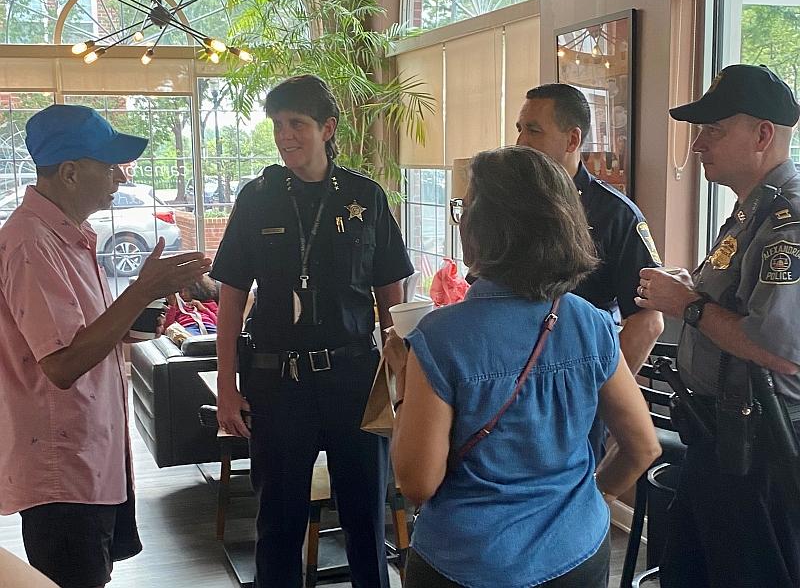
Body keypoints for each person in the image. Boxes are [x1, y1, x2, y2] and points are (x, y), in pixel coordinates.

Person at [386, 145, 661, 588]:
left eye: (464, 208)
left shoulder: (440, 337)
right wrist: (595, 498)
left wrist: (403, 379)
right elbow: (643, 447)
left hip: (467, 562)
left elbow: (418, 482)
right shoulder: (590, 322)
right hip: (577, 554)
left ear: (482, 228)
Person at [211, 74, 413, 588]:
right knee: (278, 522)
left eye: (296, 124)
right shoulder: (257, 198)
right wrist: (226, 386)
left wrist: (400, 385)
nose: (285, 136)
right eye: (277, 125)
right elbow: (230, 300)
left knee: (366, 518)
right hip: (278, 382)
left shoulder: (365, 197)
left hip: (354, 379)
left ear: (328, 128)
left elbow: (391, 298)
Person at [0, 104, 212, 588]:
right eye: (110, 164)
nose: (121, 175)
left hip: (92, 458)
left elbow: (83, 333)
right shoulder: (31, 242)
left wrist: (145, 304)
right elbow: (61, 363)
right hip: (62, 472)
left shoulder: (68, 236)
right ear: (70, 172)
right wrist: (141, 290)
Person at [636, 64, 800, 587]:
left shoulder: (788, 221)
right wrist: (696, 292)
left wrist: (689, 305)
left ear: (763, 135)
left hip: (759, 448)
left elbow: (779, 350)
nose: (698, 144)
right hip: (719, 438)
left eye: (714, 130)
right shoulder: (753, 209)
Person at [514, 83, 664, 460]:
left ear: (572, 139)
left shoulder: (615, 214)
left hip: (573, 390)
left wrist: (601, 392)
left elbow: (647, 321)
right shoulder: (509, 205)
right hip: (506, 382)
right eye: (519, 128)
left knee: (575, 492)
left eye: (533, 130)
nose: (520, 142)